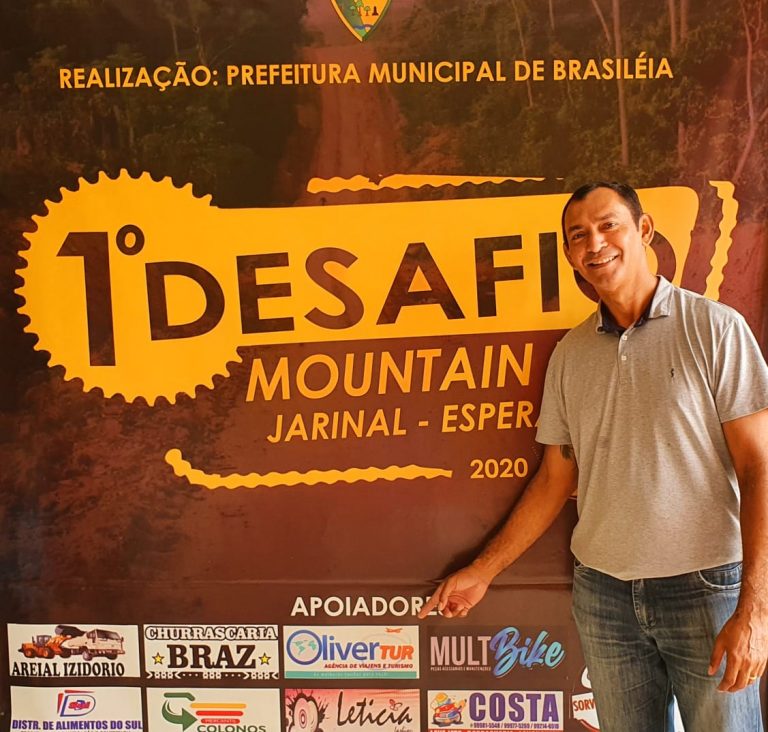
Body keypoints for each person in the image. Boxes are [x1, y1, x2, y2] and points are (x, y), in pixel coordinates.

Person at [419, 182, 768, 731]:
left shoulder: (715, 329)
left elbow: (758, 467)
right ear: (568, 254)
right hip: (605, 597)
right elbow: (554, 480)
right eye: (578, 235)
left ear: (644, 230)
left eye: (609, 225)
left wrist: (756, 608)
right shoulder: (571, 354)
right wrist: (482, 572)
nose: (595, 243)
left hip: (705, 591)